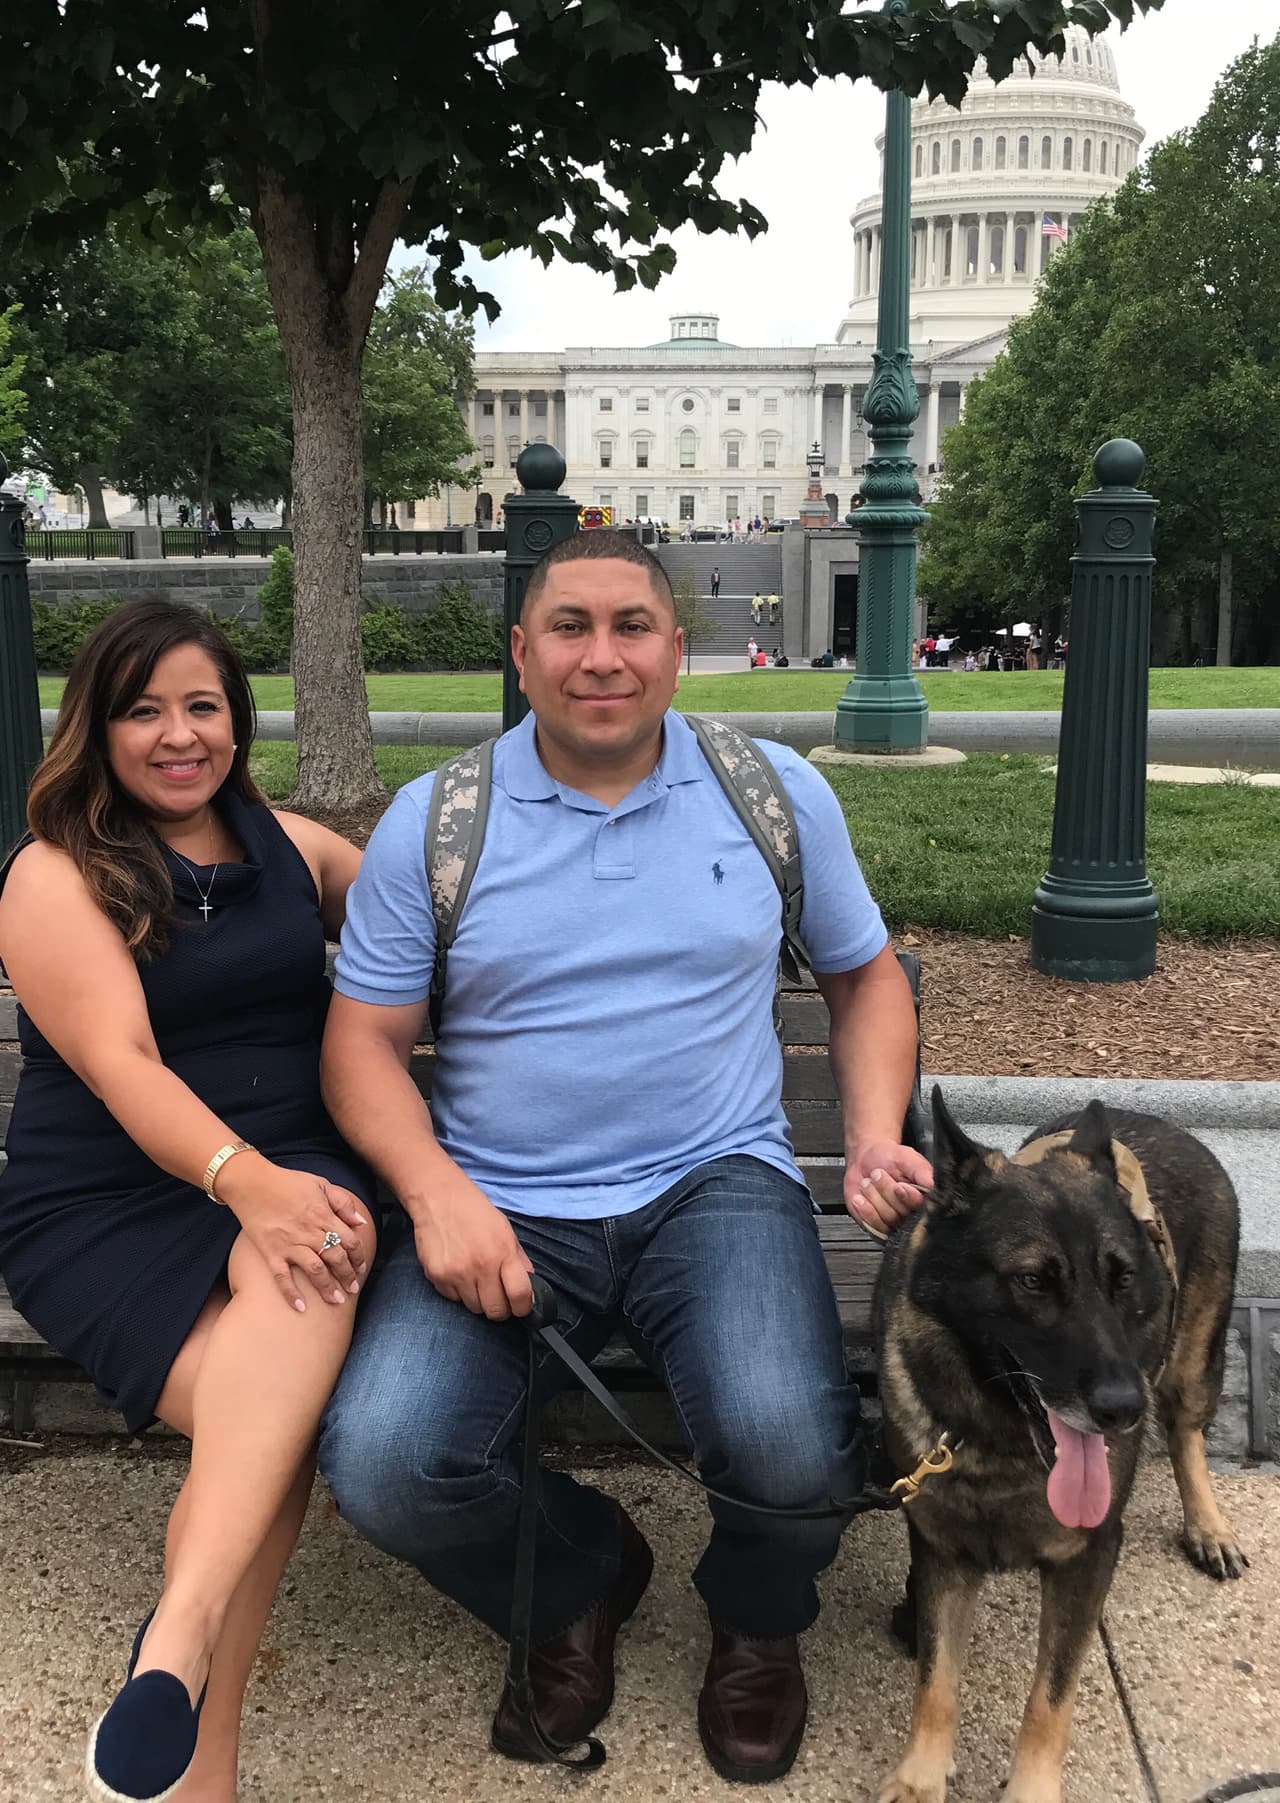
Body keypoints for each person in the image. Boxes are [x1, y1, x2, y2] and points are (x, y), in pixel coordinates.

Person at [316, 530, 930, 1784]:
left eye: (631, 627)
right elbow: (360, 1048)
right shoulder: (439, 820)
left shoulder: (770, 794)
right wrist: (435, 1195)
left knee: (791, 1445)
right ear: (522, 653)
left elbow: (865, 979)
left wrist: (869, 1134)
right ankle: (581, 1573)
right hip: (502, 1201)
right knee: (385, 1464)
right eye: (570, 628)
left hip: (716, 1182)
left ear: (674, 647)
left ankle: (758, 1625)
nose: (602, 657)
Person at [0, 600, 377, 1803]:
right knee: (287, 1354)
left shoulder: (292, 847)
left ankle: (176, 1670)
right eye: (143, 709)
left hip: (285, 1176)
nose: (178, 735)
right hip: (109, 1200)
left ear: (236, 719)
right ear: (95, 727)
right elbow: (124, 1070)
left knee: (288, 1313)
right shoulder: (54, 876)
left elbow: (432, 926)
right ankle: (192, 1691)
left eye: (201, 706)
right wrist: (254, 1188)